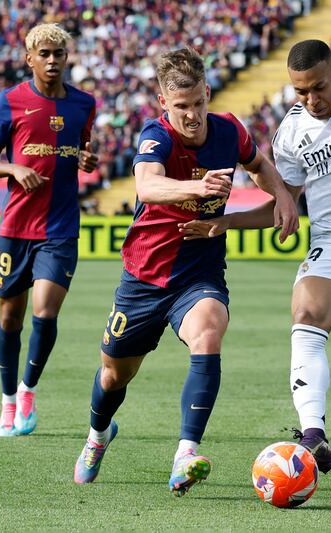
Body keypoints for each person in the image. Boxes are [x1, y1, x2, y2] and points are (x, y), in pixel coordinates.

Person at [180, 40, 331, 487]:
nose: (311, 100)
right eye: (300, 92)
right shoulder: (291, 133)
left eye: (318, 87)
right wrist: (228, 221)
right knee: (306, 314)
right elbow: (283, 203)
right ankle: (313, 433)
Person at [72, 47, 298, 495]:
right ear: (163, 103)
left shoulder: (229, 130)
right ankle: (98, 436)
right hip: (144, 277)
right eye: (181, 106)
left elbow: (259, 166)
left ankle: (186, 452)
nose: (192, 115)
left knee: (209, 329)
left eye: (198, 102)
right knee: (115, 374)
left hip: (199, 275)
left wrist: (285, 197)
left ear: (207, 92)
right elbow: (147, 185)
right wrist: (198, 185)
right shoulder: (156, 137)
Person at [0, 23, 98, 437]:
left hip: (60, 228)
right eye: (43, 54)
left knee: (45, 311)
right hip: (16, 226)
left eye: (58, 54)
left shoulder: (84, 104)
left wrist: (86, 162)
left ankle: (28, 391)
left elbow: (80, 150)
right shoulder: (9, 102)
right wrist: (13, 167)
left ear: (67, 58)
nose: (51, 61)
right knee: (10, 318)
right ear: (29, 58)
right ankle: (7, 401)